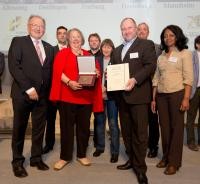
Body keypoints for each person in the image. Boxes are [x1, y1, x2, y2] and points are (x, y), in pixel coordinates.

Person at [49, 28, 103, 170]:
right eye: (72, 36)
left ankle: (81, 155)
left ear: (82, 39)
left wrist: (97, 73)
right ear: (68, 39)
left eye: (78, 36)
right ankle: (64, 157)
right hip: (67, 97)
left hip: (85, 99)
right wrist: (69, 82)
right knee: (66, 129)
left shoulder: (87, 54)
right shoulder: (62, 54)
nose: (75, 39)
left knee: (84, 129)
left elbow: (96, 72)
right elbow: (57, 72)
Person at [111, 17, 156, 184]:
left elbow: (150, 65)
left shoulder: (146, 44)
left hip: (139, 98)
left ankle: (140, 168)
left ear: (136, 29)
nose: (126, 31)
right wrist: (110, 76)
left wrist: (135, 80)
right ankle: (131, 159)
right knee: (127, 133)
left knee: (140, 134)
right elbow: (114, 70)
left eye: (129, 28)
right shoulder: (116, 50)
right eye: (123, 28)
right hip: (122, 99)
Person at [8, 15, 54, 178]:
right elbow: (14, 66)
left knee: (39, 129)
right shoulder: (18, 41)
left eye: (41, 26)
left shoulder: (49, 47)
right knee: (19, 129)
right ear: (28, 26)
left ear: (44, 29)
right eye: (35, 25)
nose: (38, 28)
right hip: (22, 94)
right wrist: (29, 88)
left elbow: (51, 72)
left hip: (42, 97)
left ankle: (36, 158)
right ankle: (17, 162)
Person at [152, 25, 193, 175]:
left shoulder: (184, 53)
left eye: (171, 35)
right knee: (165, 128)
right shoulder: (161, 55)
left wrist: (186, 98)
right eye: (165, 36)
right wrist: (153, 99)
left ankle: (174, 163)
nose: (167, 38)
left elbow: (189, 78)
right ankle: (166, 157)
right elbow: (156, 78)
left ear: (177, 36)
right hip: (161, 96)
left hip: (177, 95)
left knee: (176, 130)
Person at [137, 22, 161, 158]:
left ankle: (153, 146)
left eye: (144, 29)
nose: (141, 31)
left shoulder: (157, 48)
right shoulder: (131, 47)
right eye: (139, 29)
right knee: (139, 120)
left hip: (153, 89)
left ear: (148, 32)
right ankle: (141, 144)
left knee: (152, 119)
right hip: (137, 89)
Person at [43, 25, 68, 154]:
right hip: (53, 92)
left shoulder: (73, 50)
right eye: (60, 33)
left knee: (66, 121)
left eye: (64, 33)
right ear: (57, 35)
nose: (62, 35)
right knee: (50, 119)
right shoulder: (51, 50)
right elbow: (48, 71)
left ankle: (66, 145)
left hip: (68, 92)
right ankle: (49, 144)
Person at [94, 39, 120, 162]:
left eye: (109, 47)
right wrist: (99, 88)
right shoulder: (96, 60)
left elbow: (120, 79)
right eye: (104, 47)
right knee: (99, 123)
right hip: (98, 96)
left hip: (112, 97)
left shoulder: (116, 61)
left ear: (112, 49)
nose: (106, 49)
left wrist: (107, 87)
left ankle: (115, 152)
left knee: (113, 124)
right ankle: (100, 147)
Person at [87, 33, 105, 156]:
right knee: (85, 120)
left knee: (99, 120)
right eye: (91, 41)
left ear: (99, 42)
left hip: (100, 93)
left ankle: (99, 146)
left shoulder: (104, 56)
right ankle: (85, 142)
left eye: (96, 40)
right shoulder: (84, 54)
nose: (93, 42)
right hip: (86, 92)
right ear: (89, 42)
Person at [186, 35, 200, 151]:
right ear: (197, 44)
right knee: (191, 117)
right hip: (195, 90)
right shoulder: (191, 55)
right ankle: (191, 142)